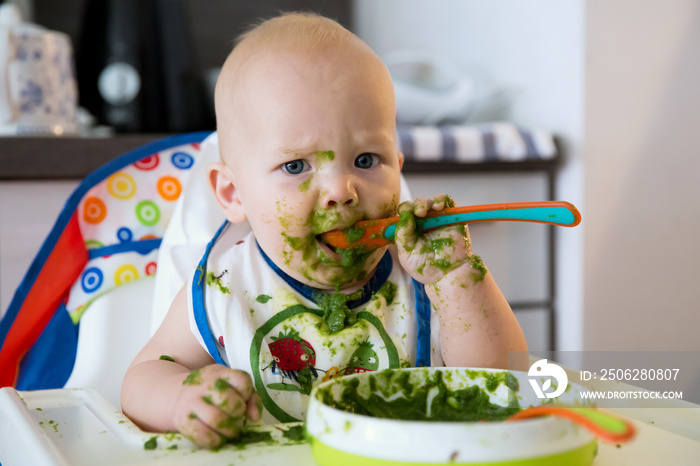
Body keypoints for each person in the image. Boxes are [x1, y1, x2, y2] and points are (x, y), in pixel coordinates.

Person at [121, 12, 527, 448]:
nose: (340, 190)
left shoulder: (423, 280)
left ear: (398, 168)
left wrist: (457, 279)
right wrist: (185, 400)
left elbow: (506, 381)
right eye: (295, 166)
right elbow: (142, 380)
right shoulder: (225, 286)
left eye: (367, 160)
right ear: (233, 193)